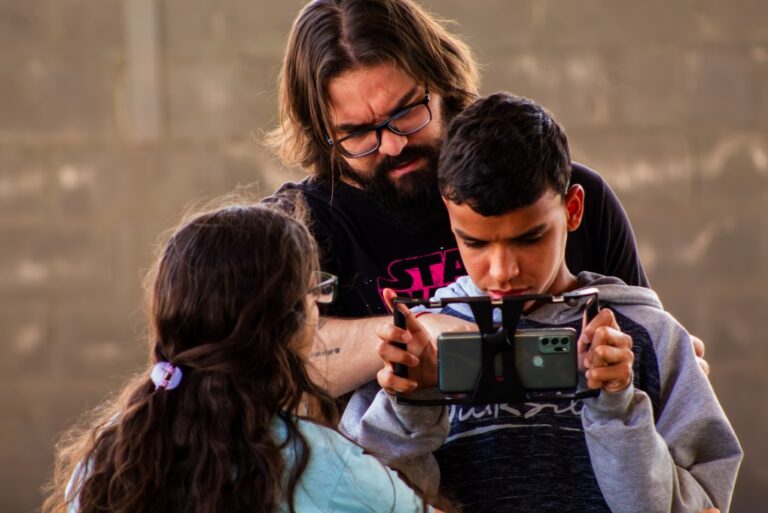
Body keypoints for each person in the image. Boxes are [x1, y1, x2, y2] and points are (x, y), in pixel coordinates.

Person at [264, 0, 708, 397]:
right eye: (358, 133)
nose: (393, 145)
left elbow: (642, 348)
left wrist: (667, 366)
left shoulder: (563, 196)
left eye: (406, 113)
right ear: (321, 136)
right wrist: (417, 332)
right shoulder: (298, 229)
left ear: (441, 83)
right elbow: (264, 367)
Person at [345, 93, 742, 512]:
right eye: (475, 242)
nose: (502, 271)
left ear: (572, 209)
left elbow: (700, 506)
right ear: (450, 217)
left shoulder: (646, 339)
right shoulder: (421, 344)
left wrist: (616, 407)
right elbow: (362, 498)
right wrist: (412, 404)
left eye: (529, 238)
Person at [41, 203, 441, 513]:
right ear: (293, 322)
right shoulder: (315, 461)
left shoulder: (110, 454)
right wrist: (413, 410)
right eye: (315, 291)